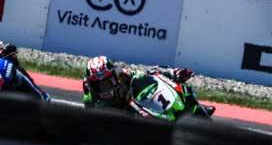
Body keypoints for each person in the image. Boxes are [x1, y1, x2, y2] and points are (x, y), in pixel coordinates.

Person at [82, 56, 214, 115]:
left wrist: (172, 73)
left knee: (154, 76)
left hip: (130, 104)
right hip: (119, 121)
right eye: (99, 86)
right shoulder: (91, 99)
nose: (104, 89)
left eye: (107, 83)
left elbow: (147, 73)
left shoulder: (122, 74)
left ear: (114, 77)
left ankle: (189, 103)